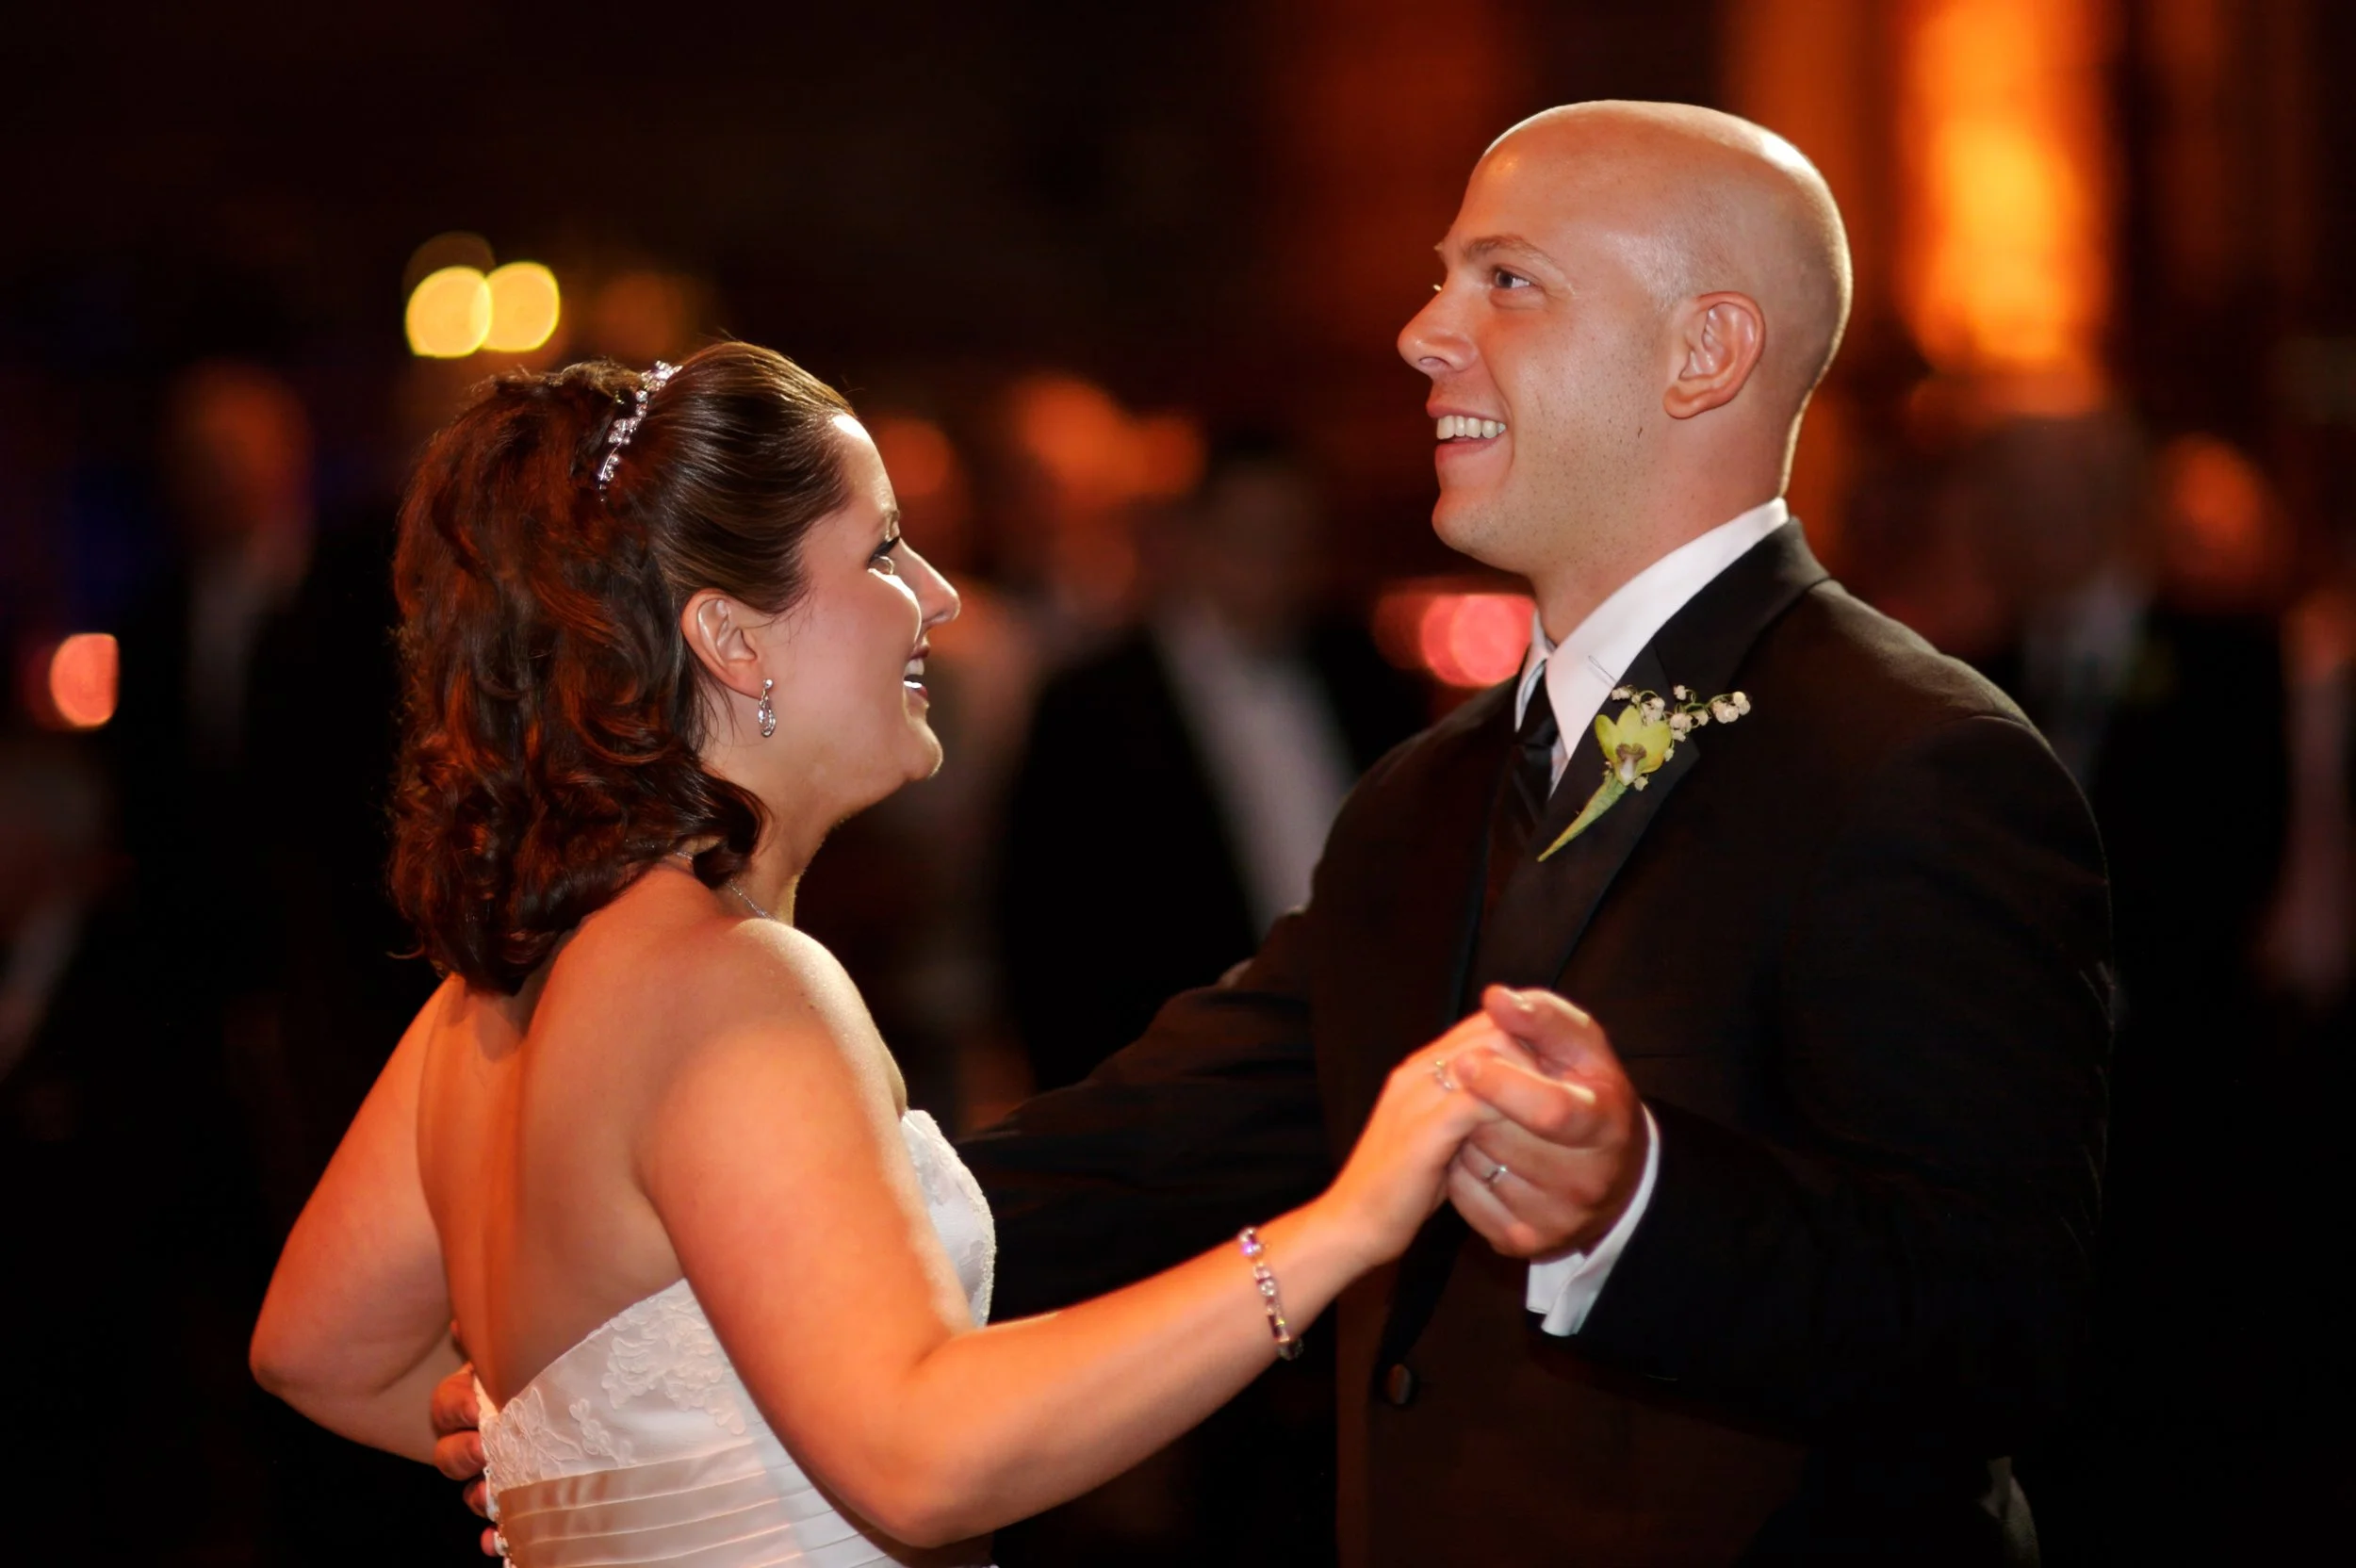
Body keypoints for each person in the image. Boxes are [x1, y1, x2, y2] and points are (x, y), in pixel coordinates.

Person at [436, 102, 2111, 1565]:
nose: (1419, 334)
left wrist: (1641, 1204)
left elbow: (2009, 1329)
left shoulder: (1913, 762)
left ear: (1706, 351)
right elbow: (1149, 1147)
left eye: (1504, 282)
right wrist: (686, 1326)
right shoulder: (1426, 795)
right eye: (1443, 277)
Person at [248, 343, 1513, 1568]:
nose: (944, 598)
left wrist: (586, 1458)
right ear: (733, 640)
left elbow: (321, 1350)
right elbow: (921, 1457)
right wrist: (1342, 1229)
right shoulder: (736, 985)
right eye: (886, 550)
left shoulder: (497, 997)